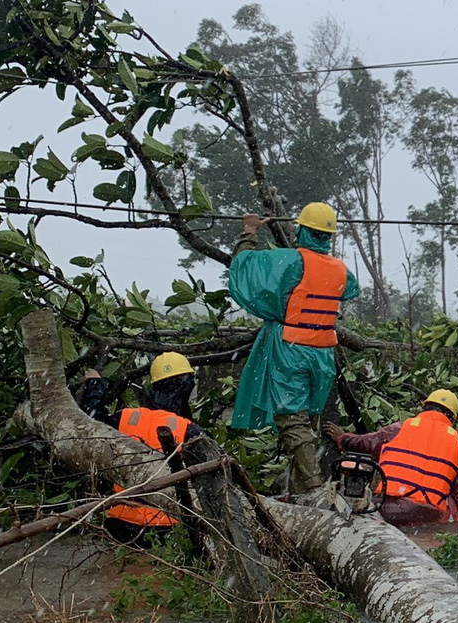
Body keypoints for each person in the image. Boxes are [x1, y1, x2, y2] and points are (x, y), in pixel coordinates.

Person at [225, 202, 360, 497]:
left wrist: (249, 231)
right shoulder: (341, 270)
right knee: (308, 424)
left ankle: (315, 489)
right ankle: (301, 497)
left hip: (292, 349)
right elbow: (351, 289)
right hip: (323, 355)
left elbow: (244, 265)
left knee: (291, 419)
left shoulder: (290, 261)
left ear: (302, 230)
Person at [77, 352, 203, 542]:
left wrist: (94, 385)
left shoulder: (125, 418)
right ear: (186, 386)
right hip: (167, 529)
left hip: (120, 525)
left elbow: (90, 423)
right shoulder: (190, 431)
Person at [325, 389, 458, 527]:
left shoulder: (399, 428)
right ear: (452, 418)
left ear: (424, 408)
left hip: (386, 509)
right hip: (427, 515)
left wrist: (343, 438)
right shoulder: (456, 447)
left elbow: (366, 443)